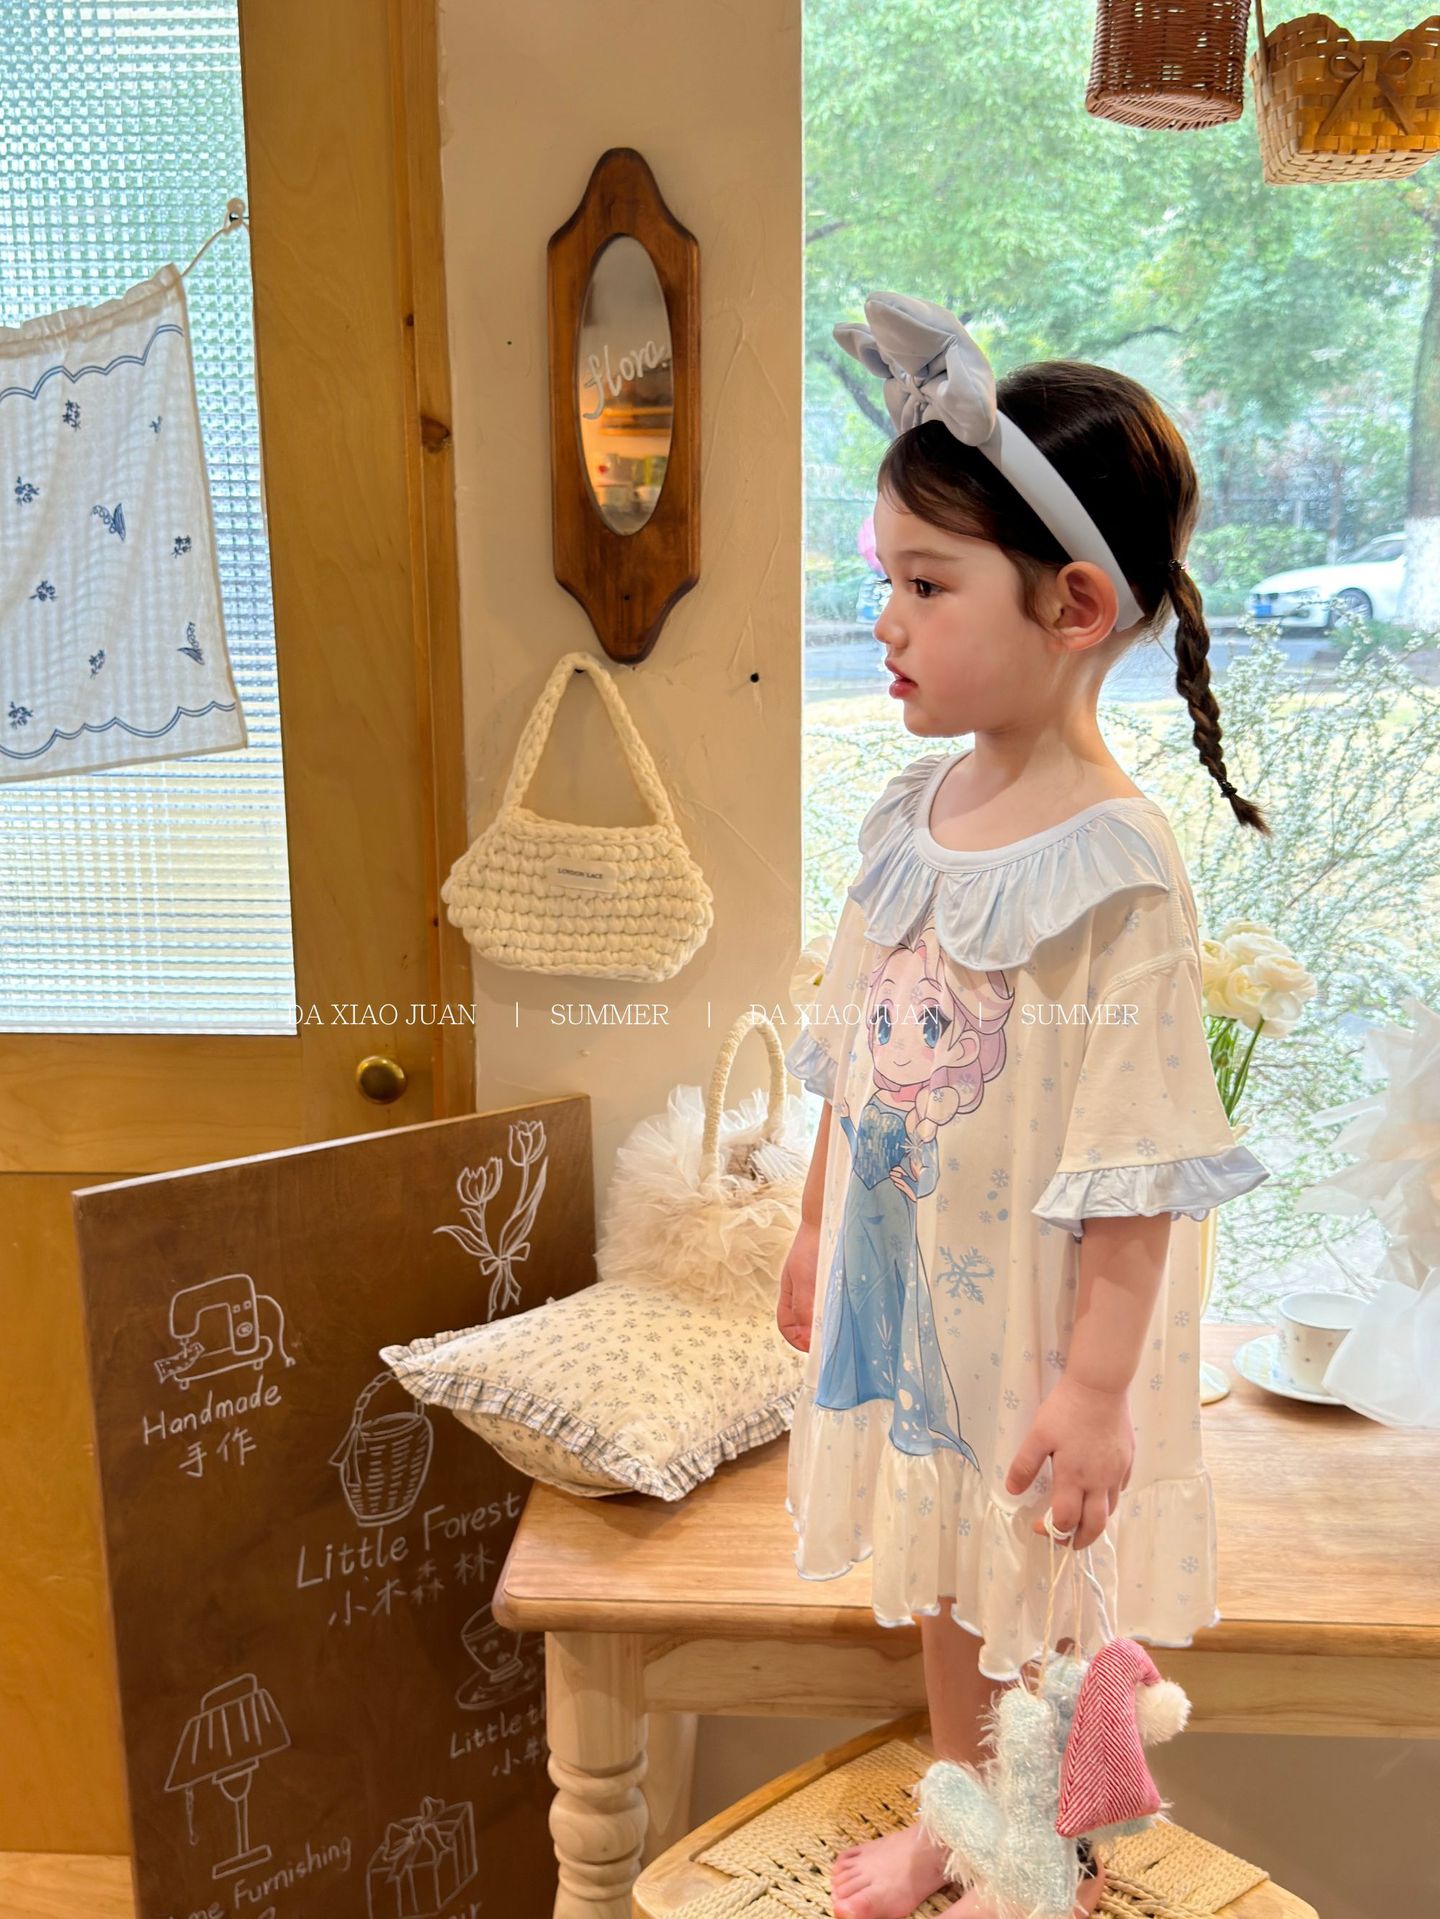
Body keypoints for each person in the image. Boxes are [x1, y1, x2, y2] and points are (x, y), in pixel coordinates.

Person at [776, 294, 1272, 1919]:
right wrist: (815, 1228)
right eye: (885, 579)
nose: (886, 620)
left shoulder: (1117, 861)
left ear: (1072, 604)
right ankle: (960, 1815)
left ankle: (1037, 1847)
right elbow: (853, 1047)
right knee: (942, 1568)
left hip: (1039, 1328)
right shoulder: (908, 813)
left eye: (927, 586)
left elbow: (1142, 1156)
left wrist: (1099, 1388)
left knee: (1040, 1603)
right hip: (916, 1296)